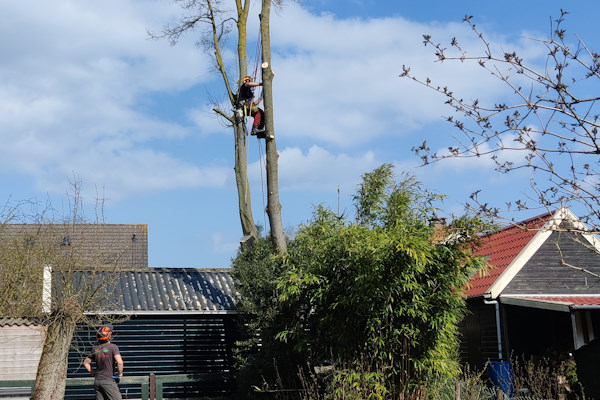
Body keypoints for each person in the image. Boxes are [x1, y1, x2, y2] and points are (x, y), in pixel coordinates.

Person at [83, 325, 124, 400]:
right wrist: (120, 375)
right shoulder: (113, 347)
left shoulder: (95, 349)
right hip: (108, 381)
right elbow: (120, 362)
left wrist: (94, 373)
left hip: (97, 381)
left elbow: (86, 363)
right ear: (108, 336)